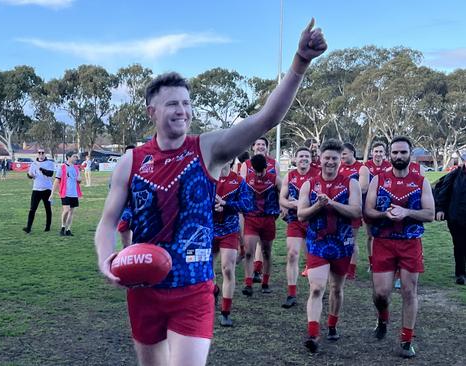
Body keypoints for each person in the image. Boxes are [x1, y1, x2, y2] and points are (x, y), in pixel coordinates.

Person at [95, 19, 327, 366]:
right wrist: (105, 258)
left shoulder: (208, 149)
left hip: (193, 289)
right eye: (173, 104)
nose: (182, 111)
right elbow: (107, 221)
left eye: (187, 104)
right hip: (143, 290)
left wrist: (300, 63)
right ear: (151, 111)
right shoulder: (131, 161)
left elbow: (266, 119)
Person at [364, 136, 434, 358]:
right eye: (394, 153)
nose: (398, 156)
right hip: (383, 242)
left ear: (410, 154)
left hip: (410, 243)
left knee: (408, 291)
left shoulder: (420, 181)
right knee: (381, 294)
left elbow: (430, 214)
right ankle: (383, 318)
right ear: (389, 155)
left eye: (403, 152)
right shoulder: (379, 180)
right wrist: (384, 214)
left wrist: (407, 213)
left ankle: (406, 340)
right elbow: (368, 211)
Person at [297, 139, 361, 353]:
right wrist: (318, 204)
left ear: (341, 160)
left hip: (342, 244)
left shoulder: (350, 183)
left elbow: (356, 212)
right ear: (320, 159)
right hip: (318, 243)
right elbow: (300, 214)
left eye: (335, 158)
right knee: (317, 288)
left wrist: (332, 203)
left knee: (337, 288)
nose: (331, 162)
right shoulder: (309, 184)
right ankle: (313, 334)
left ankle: (332, 324)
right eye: (327, 158)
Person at [279, 146, 319, 308]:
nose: (303, 158)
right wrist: (291, 205)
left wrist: (305, 206)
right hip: (295, 220)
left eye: (306, 156)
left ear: (311, 159)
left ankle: (317, 289)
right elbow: (282, 198)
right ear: (295, 159)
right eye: (300, 156)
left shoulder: (317, 174)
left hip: (314, 221)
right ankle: (291, 293)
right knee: (292, 254)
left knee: (314, 258)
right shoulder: (290, 175)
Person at [213, 161, 251, 326]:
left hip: (229, 230)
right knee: (206, 271)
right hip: (208, 230)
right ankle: (213, 290)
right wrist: (212, 206)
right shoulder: (207, 177)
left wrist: (226, 205)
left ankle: (225, 312)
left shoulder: (239, 181)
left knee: (228, 269)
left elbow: (247, 205)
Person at [239, 137, 281, 282]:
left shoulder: (273, 164)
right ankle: (249, 281)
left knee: (266, 250)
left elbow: (281, 188)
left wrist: (281, 206)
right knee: (249, 247)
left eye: (263, 144)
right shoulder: (246, 165)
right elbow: (242, 186)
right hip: (251, 214)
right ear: (253, 147)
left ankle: (263, 279)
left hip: (268, 214)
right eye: (258, 144)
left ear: (267, 147)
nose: (261, 146)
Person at [338, 142, 369, 280]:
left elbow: (363, 188)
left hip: (353, 209)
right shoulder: (339, 166)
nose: (341, 156)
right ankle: (340, 265)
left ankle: (351, 270)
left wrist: (343, 193)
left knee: (351, 239)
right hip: (338, 209)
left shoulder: (361, 169)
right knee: (339, 238)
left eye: (344, 153)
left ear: (352, 153)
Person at [434, 153, 466, 285]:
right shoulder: (454, 175)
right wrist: (440, 209)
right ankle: (460, 274)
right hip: (456, 217)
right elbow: (443, 191)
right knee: (459, 245)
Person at [364, 142, 392, 270]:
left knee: (386, 235)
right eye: (376, 151)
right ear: (371, 153)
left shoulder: (390, 166)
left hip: (386, 205)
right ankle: (372, 262)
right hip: (369, 204)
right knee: (370, 235)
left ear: (385, 154)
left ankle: (387, 261)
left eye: (381, 151)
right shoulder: (366, 167)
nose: (378, 154)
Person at [23, 149, 55, 234]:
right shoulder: (33, 164)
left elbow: (50, 173)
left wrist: (41, 169)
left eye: (42, 153)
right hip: (36, 189)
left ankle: (47, 227)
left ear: (45, 154)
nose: (41, 154)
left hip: (47, 189)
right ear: (37, 154)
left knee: (47, 209)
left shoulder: (49, 163)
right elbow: (29, 175)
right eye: (39, 153)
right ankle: (28, 227)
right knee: (32, 209)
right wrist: (30, 175)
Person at [53, 153, 82, 236]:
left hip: (74, 193)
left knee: (71, 212)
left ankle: (68, 229)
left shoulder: (76, 168)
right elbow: (57, 180)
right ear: (69, 157)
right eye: (74, 156)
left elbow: (78, 180)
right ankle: (63, 227)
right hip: (65, 192)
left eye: (76, 156)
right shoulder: (62, 167)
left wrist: (79, 180)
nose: (76, 158)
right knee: (66, 210)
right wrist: (52, 193)